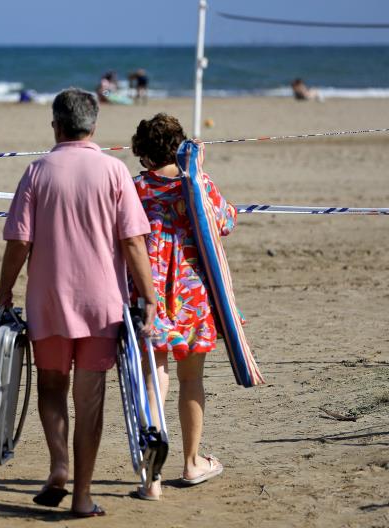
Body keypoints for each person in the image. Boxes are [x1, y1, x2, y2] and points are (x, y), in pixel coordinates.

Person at [0, 88, 157, 517]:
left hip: (49, 301)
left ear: (56, 126)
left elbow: (19, 241)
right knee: (90, 401)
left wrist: (4, 289)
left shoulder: (36, 172)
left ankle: (59, 465)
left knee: (51, 386)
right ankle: (83, 496)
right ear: (94, 127)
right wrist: (151, 298)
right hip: (102, 305)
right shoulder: (115, 171)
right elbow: (133, 242)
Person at [130, 113, 233, 500]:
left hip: (149, 292)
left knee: (154, 379)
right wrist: (198, 173)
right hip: (193, 292)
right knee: (192, 379)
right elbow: (225, 221)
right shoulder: (197, 184)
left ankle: (151, 479)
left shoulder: (136, 187)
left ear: (144, 153)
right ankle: (191, 463)